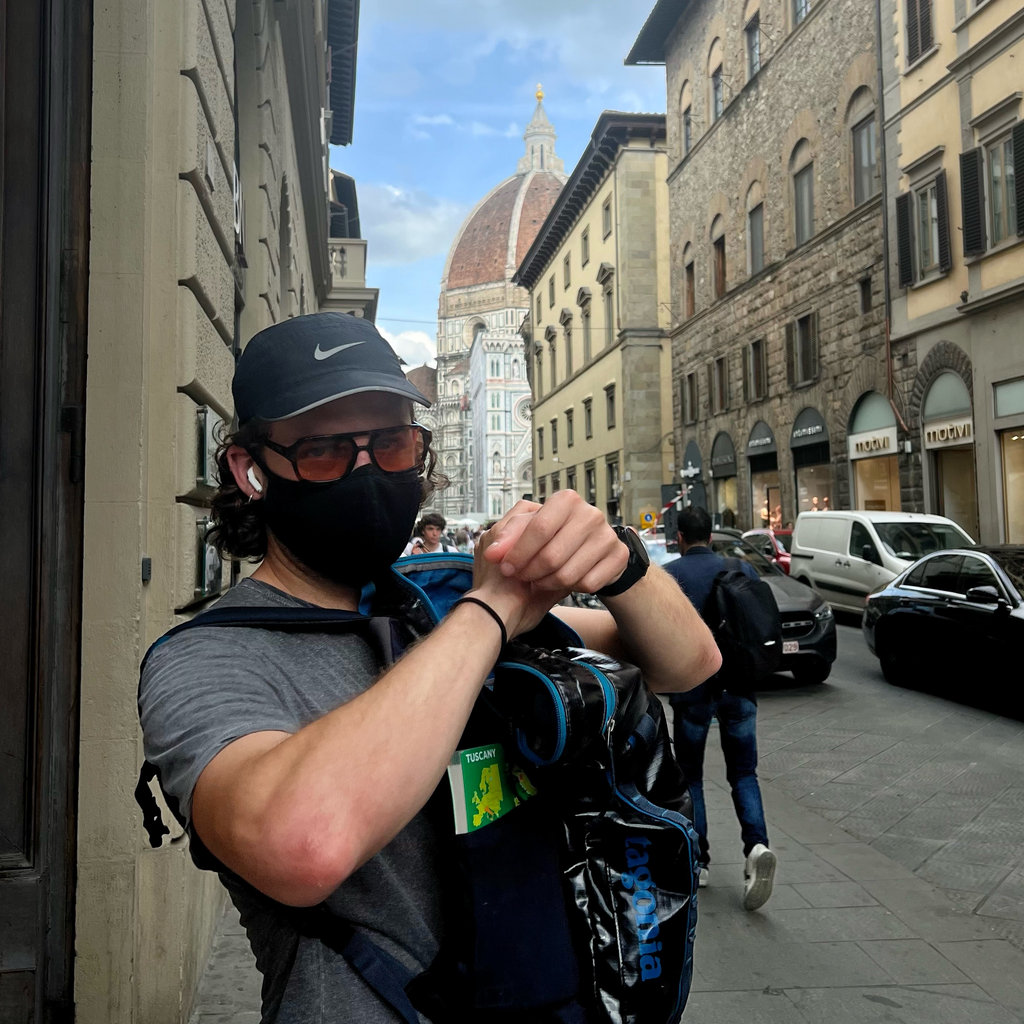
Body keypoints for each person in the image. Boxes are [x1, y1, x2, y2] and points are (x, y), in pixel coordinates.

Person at [138, 311, 722, 1022]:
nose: (366, 472)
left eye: (391, 443)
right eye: (323, 450)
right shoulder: (208, 657)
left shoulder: (436, 599)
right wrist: (492, 609)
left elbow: (688, 663)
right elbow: (304, 845)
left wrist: (621, 562)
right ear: (250, 469)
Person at [664, 505, 777, 911]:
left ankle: (699, 861)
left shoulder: (670, 576)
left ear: (680, 537)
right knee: (744, 774)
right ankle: (757, 847)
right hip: (739, 687)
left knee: (690, 776)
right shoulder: (739, 569)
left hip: (693, 689)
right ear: (711, 536)